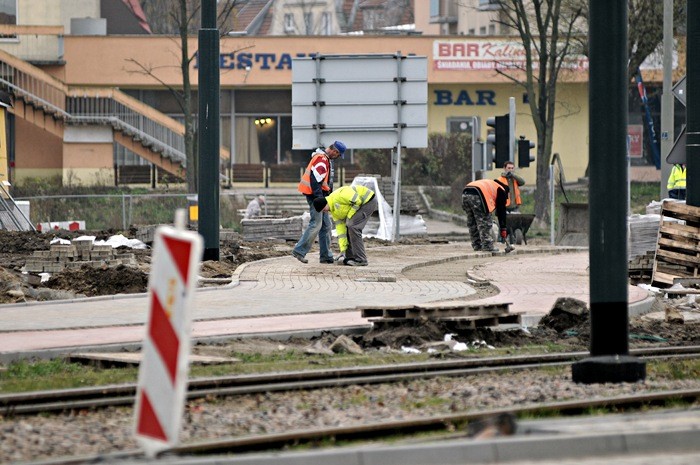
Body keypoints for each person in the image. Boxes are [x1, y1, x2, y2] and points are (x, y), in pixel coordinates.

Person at [291, 140, 346, 264]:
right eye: (338, 155)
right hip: (315, 197)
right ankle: (299, 251)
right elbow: (315, 179)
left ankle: (326, 256)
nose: (337, 157)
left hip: (319, 196)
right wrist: (319, 199)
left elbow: (321, 181)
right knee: (316, 224)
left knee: (326, 226)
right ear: (335, 151)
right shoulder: (322, 159)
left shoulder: (324, 158)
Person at [312, 184, 377, 266]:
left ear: (325, 204)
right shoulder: (334, 212)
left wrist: (349, 216)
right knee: (348, 227)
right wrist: (343, 250)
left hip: (368, 200)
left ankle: (361, 259)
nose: (324, 212)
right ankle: (350, 257)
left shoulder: (339, 196)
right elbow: (341, 232)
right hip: (360, 204)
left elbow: (358, 201)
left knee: (353, 227)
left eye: (323, 210)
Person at [461, 178, 509, 253]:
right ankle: (487, 246)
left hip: (465, 193)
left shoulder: (492, 184)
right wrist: (503, 228)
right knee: (484, 222)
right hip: (478, 194)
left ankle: (477, 245)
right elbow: (501, 211)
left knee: (472, 222)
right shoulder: (501, 190)